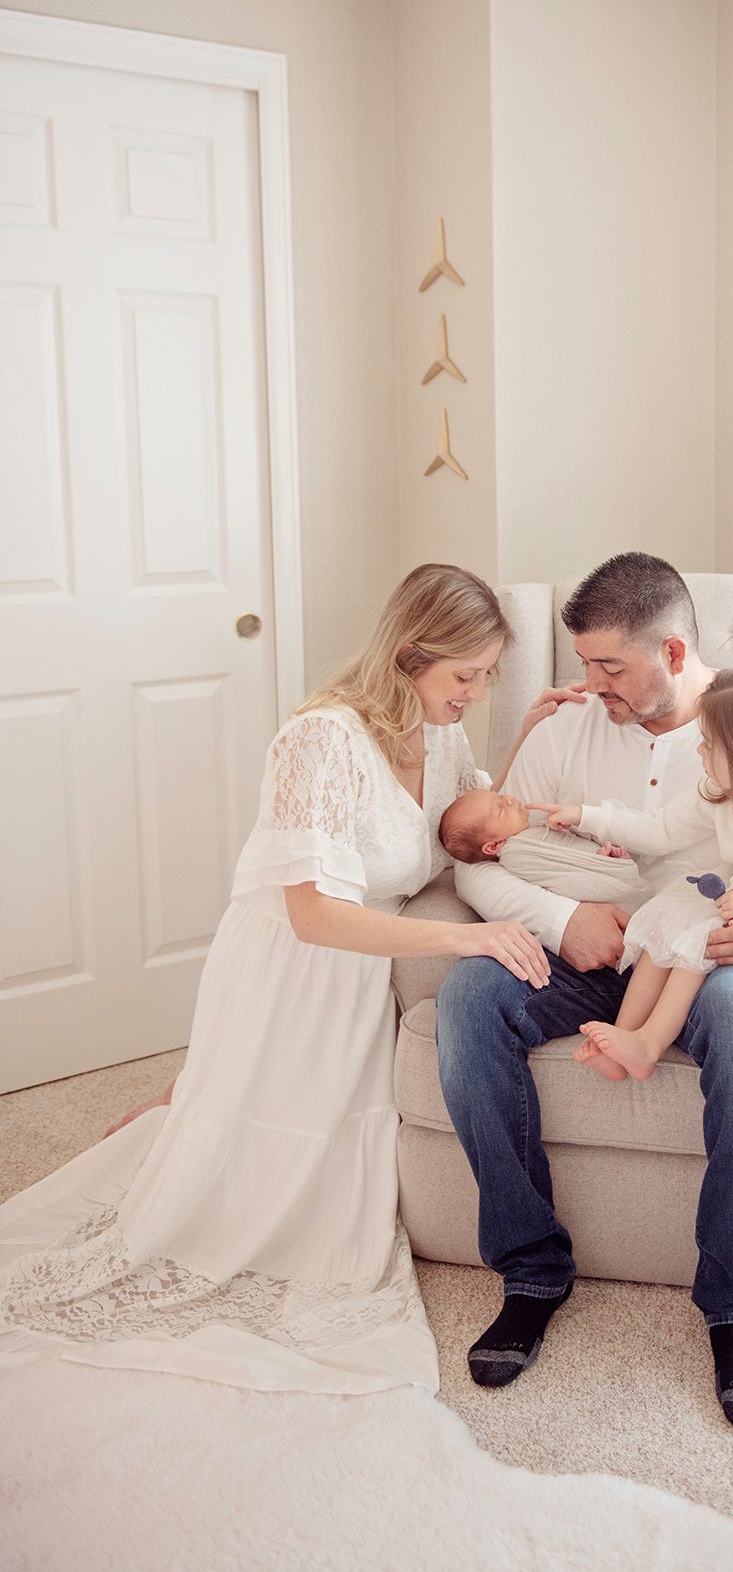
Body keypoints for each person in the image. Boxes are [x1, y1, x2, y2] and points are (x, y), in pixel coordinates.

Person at [0, 563, 553, 1395]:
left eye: (486, 678)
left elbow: (470, 828)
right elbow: (314, 917)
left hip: (364, 977)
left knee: (330, 1195)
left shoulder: (443, 737)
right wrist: (468, 945)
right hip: (297, 972)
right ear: (409, 655)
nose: (475, 694)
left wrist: (527, 740)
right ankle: (173, 1119)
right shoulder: (321, 741)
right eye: (464, 676)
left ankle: (175, 1112)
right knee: (232, 1190)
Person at [437, 552, 733, 1429]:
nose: (590, 683)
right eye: (585, 662)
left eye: (610, 665)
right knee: (470, 995)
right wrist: (561, 913)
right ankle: (531, 1267)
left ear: (677, 651)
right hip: (594, 962)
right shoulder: (564, 732)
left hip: (720, 966)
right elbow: (482, 861)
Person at [543, 667, 733, 1082]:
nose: (699, 752)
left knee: (696, 943)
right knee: (664, 927)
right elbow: (660, 829)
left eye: (709, 744)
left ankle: (648, 1044)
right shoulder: (723, 797)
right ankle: (623, 1038)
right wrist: (587, 815)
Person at [438, 786, 646, 907]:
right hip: (604, 881)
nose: (509, 800)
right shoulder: (517, 854)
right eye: (500, 810)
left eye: (500, 797)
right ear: (493, 846)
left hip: (608, 863)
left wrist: (579, 828)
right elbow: (563, 880)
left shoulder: (530, 832)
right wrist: (599, 861)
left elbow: (573, 844)